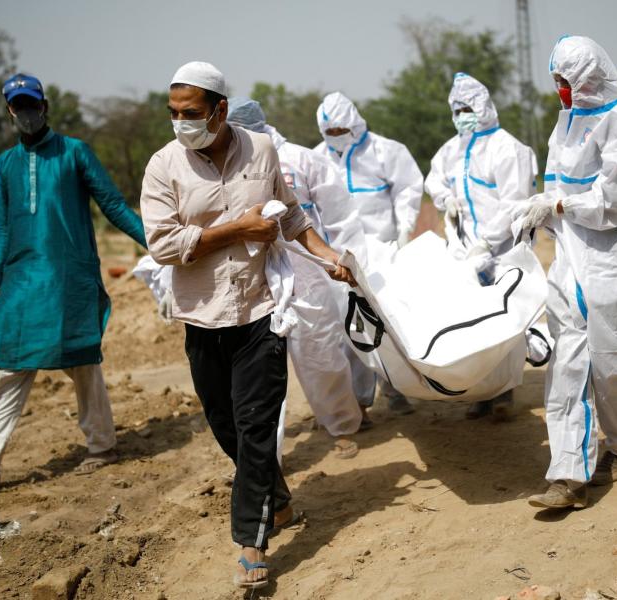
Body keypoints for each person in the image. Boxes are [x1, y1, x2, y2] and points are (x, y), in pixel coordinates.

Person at [140, 62, 355, 590]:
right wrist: (236, 228)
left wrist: (328, 256)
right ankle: (276, 499)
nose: (181, 123)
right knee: (227, 426)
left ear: (219, 110)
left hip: (262, 310)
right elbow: (163, 245)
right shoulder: (163, 166)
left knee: (257, 428)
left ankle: (251, 544)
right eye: (173, 113)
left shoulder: (261, 151)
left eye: (190, 113)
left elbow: (291, 215)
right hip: (203, 317)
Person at [0, 73, 147, 497]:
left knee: (81, 358)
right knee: (9, 362)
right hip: (22, 277)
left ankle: (101, 444)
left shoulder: (75, 152)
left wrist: (158, 242)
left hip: (69, 274)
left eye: (32, 105)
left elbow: (111, 203)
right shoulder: (4, 164)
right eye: (18, 107)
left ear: (46, 106)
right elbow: (3, 228)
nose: (26, 113)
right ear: (9, 111)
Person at [519, 36, 617, 509]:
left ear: (589, 76)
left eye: (566, 81)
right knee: (567, 364)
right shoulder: (566, 125)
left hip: (616, 263)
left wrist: (560, 204)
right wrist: (539, 213)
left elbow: (615, 203)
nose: (561, 91)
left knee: (613, 366)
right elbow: (554, 186)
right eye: (556, 82)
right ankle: (569, 474)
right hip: (571, 261)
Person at [226, 97, 365, 458]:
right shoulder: (226, 165)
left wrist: (346, 260)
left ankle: (342, 424)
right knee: (258, 370)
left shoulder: (301, 159)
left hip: (305, 269)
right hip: (253, 276)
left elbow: (340, 215)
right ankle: (263, 456)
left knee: (319, 352)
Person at [425, 72, 538, 421]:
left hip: (503, 248)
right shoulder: (452, 149)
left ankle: (504, 392)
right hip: (466, 249)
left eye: (467, 108)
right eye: (456, 109)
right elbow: (433, 177)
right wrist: (445, 198)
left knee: (504, 317)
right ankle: (482, 391)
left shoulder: (509, 148)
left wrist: (488, 243)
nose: (462, 115)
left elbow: (514, 202)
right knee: (473, 320)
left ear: (484, 107)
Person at [313, 91, 424, 423]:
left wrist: (404, 228)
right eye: (329, 133)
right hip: (339, 258)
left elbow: (408, 188)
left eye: (340, 131)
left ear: (355, 124)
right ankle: (358, 401)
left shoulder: (385, 151)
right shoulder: (317, 158)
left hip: (381, 252)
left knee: (390, 323)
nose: (335, 139)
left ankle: (397, 389)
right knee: (348, 329)